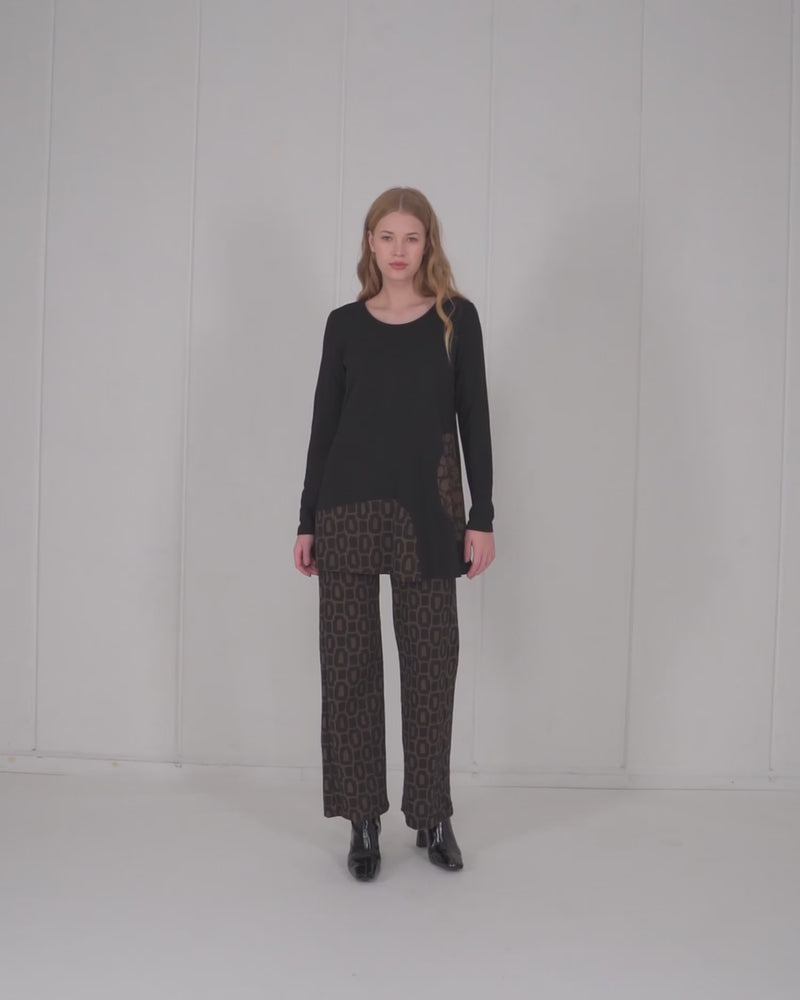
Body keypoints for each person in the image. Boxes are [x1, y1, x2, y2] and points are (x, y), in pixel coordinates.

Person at [294, 186, 495, 881]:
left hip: (430, 511)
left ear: (428, 243)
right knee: (349, 668)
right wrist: (307, 520)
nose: (399, 250)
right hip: (346, 509)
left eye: (412, 237)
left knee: (431, 666)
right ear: (370, 243)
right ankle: (362, 819)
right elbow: (323, 427)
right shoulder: (344, 326)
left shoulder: (455, 319)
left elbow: (475, 419)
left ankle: (432, 815)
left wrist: (482, 516)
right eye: (387, 237)